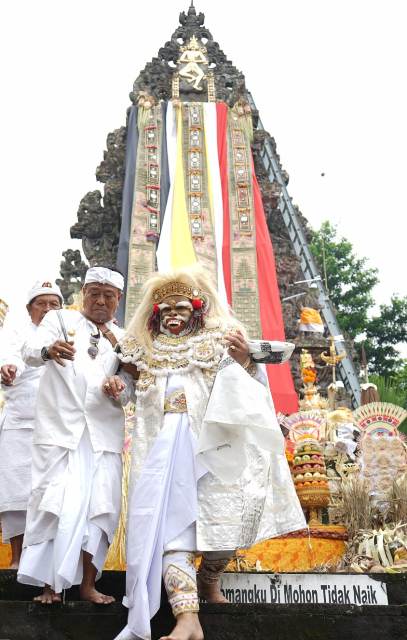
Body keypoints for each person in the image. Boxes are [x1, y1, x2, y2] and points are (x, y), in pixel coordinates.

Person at [106, 267, 306, 640]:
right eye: (165, 310)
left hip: (213, 446)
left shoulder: (219, 341)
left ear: (197, 308)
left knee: (225, 523)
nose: (173, 315)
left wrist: (246, 359)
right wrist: (117, 386)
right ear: (154, 314)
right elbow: (125, 393)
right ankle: (188, 619)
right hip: (161, 451)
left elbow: (248, 388)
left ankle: (209, 580)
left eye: (180, 307)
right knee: (170, 534)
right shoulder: (139, 349)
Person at [17, 266, 131, 605]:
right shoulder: (59, 321)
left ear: (118, 300)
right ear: (83, 293)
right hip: (60, 432)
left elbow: (132, 387)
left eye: (107, 296)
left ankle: (87, 586)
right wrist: (50, 350)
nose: (99, 300)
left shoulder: (123, 338)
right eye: (93, 293)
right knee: (55, 504)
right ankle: (51, 588)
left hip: (102, 433)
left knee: (100, 507)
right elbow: (30, 350)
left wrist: (118, 388)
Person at [0, 281, 63, 569]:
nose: (49, 309)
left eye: (54, 303)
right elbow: (10, 356)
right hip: (19, 422)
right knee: (16, 494)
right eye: (42, 303)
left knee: (51, 495)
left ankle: (45, 563)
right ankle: (17, 559)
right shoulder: (15, 332)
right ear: (29, 309)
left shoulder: (70, 332)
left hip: (57, 427)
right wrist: (8, 369)